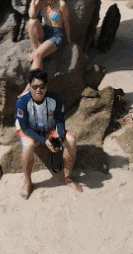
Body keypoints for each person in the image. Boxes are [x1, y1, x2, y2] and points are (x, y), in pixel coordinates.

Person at [16, 69, 82, 199]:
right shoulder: (22, 102)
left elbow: (60, 120)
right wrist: (43, 140)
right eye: (35, 87)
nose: (39, 90)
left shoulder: (54, 99)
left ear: (46, 86)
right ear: (29, 86)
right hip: (28, 129)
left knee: (71, 140)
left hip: (49, 127)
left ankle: (67, 177)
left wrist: (60, 137)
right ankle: (27, 182)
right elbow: (24, 127)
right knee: (28, 146)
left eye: (42, 86)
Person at [26, 0, 71, 69]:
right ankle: (35, 49)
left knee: (37, 55)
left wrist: (69, 39)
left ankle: (35, 80)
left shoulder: (61, 4)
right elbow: (31, 15)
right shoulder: (40, 3)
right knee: (32, 21)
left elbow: (66, 23)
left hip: (56, 34)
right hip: (44, 30)